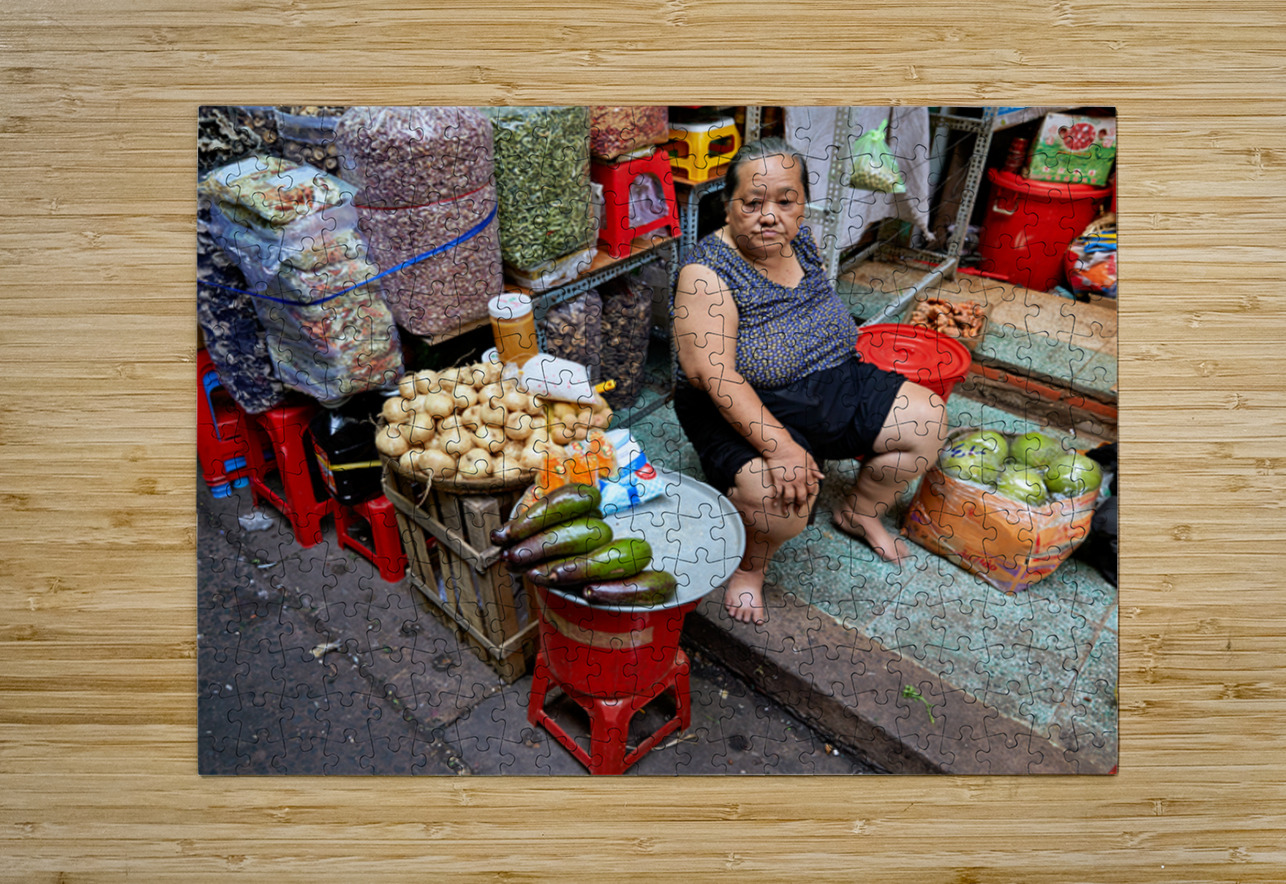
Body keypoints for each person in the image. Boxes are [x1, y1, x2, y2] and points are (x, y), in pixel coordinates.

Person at [671, 137, 949, 625]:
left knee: (927, 421)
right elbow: (711, 373)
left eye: (785, 200)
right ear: (729, 206)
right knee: (779, 503)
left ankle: (860, 512)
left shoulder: (800, 238)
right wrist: (781, 448)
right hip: (739, 400)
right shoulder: (704, 274)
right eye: (753, 203)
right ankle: (749, 568)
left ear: (802, 203)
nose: (769, 215)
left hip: (829, 379)